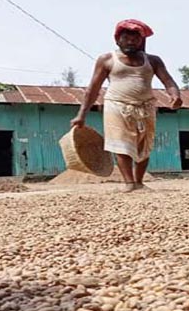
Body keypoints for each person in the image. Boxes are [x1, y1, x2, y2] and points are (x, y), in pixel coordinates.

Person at [70, 19, 182, 192]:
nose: (131, 41)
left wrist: (175, 95)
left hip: (145, 107)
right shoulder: (106, 59)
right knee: (121, 144)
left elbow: (168, 80)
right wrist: (81, 115)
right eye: (126, 38)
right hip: (116, 105)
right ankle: (129, 183)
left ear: (141, 41)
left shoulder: (153, 60)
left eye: (135, 38)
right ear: (117, 39)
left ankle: (139, 181)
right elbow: (93, 89)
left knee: (144, 146)